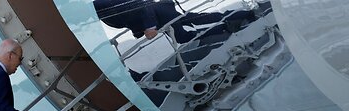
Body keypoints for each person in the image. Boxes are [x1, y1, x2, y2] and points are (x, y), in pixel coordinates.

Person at [93, 0, 257, 43]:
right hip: (160, 12)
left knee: (183, 35)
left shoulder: (100, 5)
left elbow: (138, 5)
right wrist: (139, 31)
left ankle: (229, 25)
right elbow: (129, 17)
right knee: (196, 19)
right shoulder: (99, 13)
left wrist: (149, 26)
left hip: (159, 13)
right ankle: (238, 16)